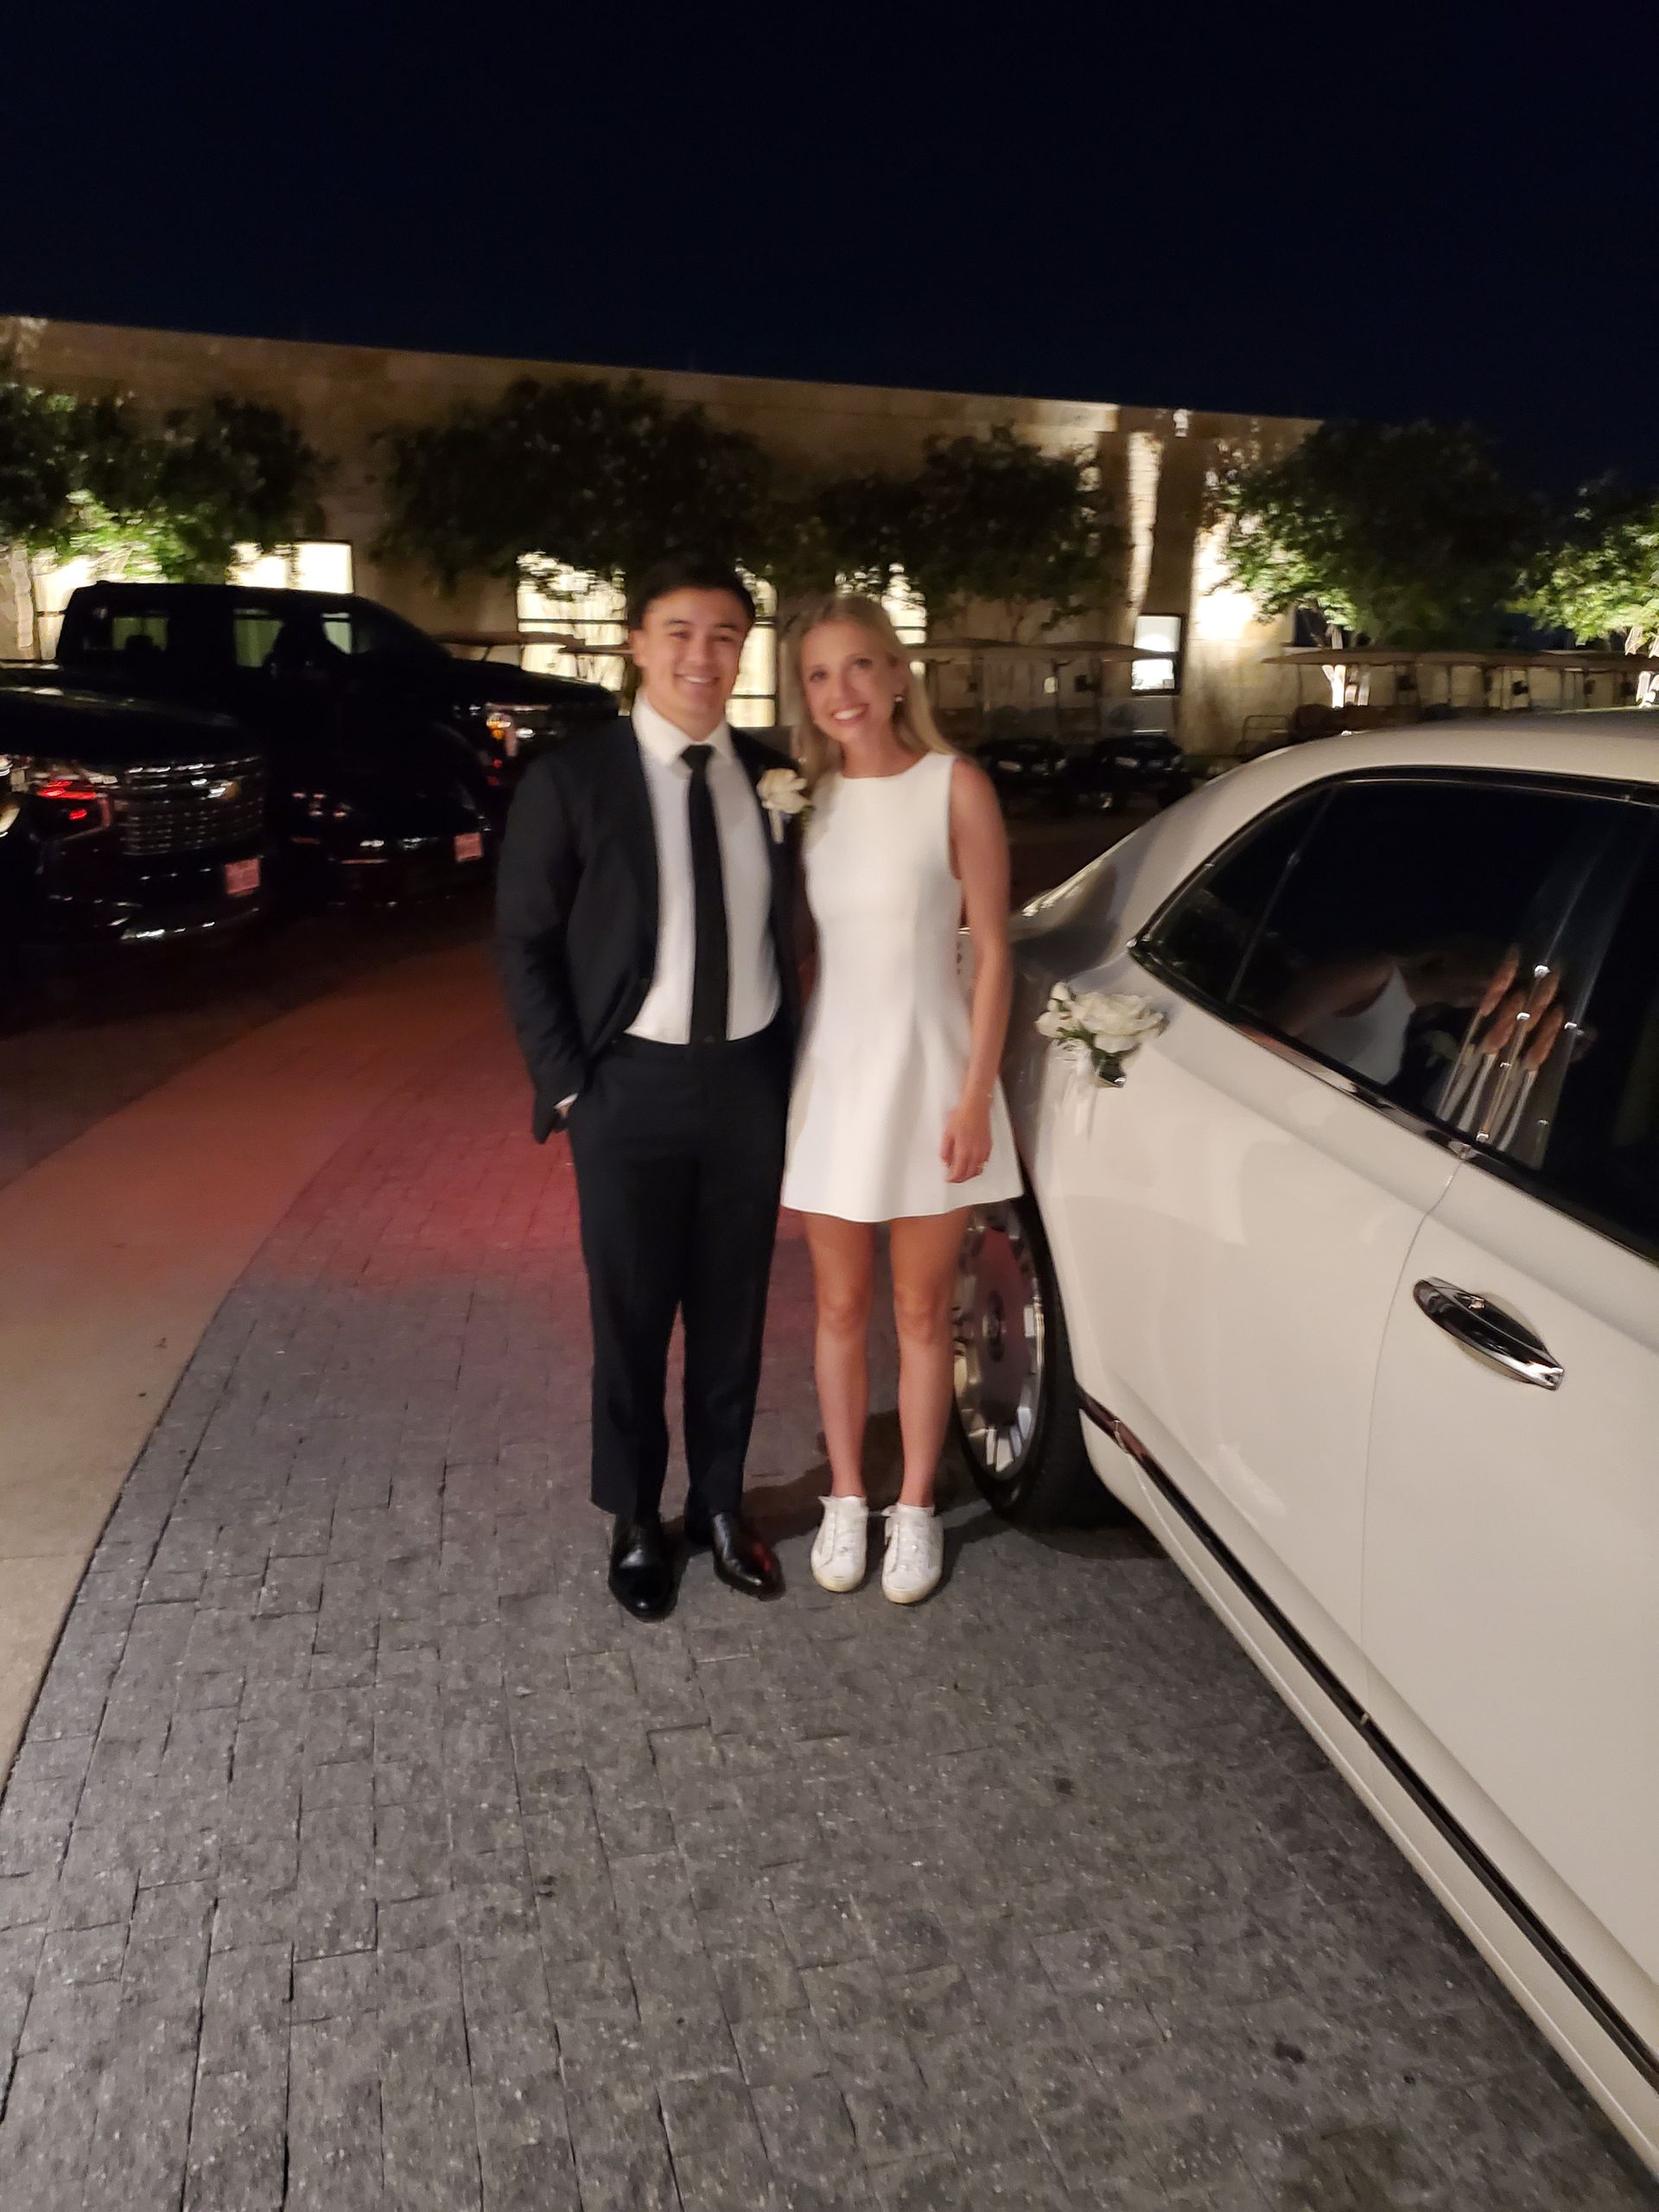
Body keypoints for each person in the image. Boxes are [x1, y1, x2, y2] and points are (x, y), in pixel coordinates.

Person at [497, 557, 800, 1622]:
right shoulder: (573, 781)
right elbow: (524, 945)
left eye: (724, 635)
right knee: (630, 1315)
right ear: (636, 642)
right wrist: (573, 1089)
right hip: (627, 1087)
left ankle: (719, 1505)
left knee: (735, 1311)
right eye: (680, 632)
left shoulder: (770, 778)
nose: (702, 656)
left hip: (749, 1081)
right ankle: (635, 1518)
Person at [782, 594, 1021, 1605]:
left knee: (924, 1310)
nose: (842, 692)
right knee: (838, 1305)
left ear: (897, 675)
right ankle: (848, 1493)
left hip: (932, 1078)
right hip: (834, 1082)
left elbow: (995, 950)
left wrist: (976, 1094)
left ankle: (916, 1505)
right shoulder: (802, 800)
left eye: (859, 666)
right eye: (819, 675)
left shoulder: (953, 785)